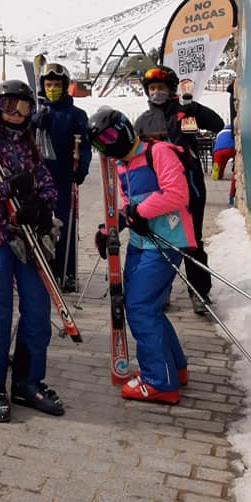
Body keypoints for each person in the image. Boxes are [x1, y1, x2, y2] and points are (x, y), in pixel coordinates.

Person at [0, 80, 61, 423]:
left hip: (26, 237)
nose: (17, 114)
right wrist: (10, 188)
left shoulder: (30, 146)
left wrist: (40, 207)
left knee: (37, 308)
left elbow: (47, 184)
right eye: (10, 107)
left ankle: (27, 380)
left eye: (23, 108)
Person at [88, 106, 195, 405]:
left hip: (167, 240)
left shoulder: (157, 152)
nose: (106, 147)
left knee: (139, 308)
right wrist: (110, 228)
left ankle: (159, 381)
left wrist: (140, 212)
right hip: (141, 243)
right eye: (99, 144)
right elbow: (128, 206)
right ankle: (174, 368)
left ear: (123, 129)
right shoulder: (122, 165)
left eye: (109, 138)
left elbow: (177, 193)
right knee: (149, 307)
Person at [133, 65, 224, 315]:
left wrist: (196, 109)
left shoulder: (184, 114)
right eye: (152, 88)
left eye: (161, 87)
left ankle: (199, 292)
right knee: (160, 242)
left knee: (191, 240)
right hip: (157, 192)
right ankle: (161, 291)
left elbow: (218, 124)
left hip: (189, 186)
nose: (156, 92)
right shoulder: (143, 121)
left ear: (171, 89)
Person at [32, 63, 91, 291]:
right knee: (40, 223)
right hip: (40, 177)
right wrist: (33, 123)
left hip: (64, 176)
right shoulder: (38, 113)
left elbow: (84, 146)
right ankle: (43, 268)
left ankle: (67, 272)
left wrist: (81, 168)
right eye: (48, 85)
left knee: (65, 224)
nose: (52, 89)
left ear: (64, 86)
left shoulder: (76, 115)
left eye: (56, 84)